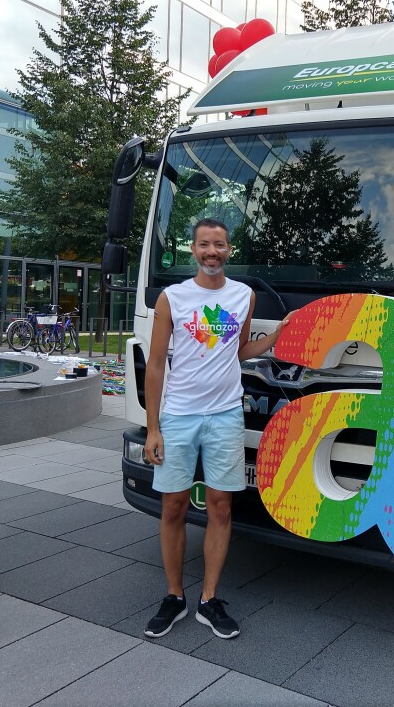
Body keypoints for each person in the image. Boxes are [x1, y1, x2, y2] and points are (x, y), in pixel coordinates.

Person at [142, 218, 290, 640]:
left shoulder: (244, 295)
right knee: (173, 506)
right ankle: (174, 596)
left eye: (219, 245)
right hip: (179, 415)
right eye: (204, 245)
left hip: (225, 414)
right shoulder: (173, 298)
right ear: (193, 249)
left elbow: (240, 349)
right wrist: (153, 428)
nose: (212, 251)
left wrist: (277, 336)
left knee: (221, 506)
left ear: (229, 250)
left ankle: (208, 600)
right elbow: (156, 364)